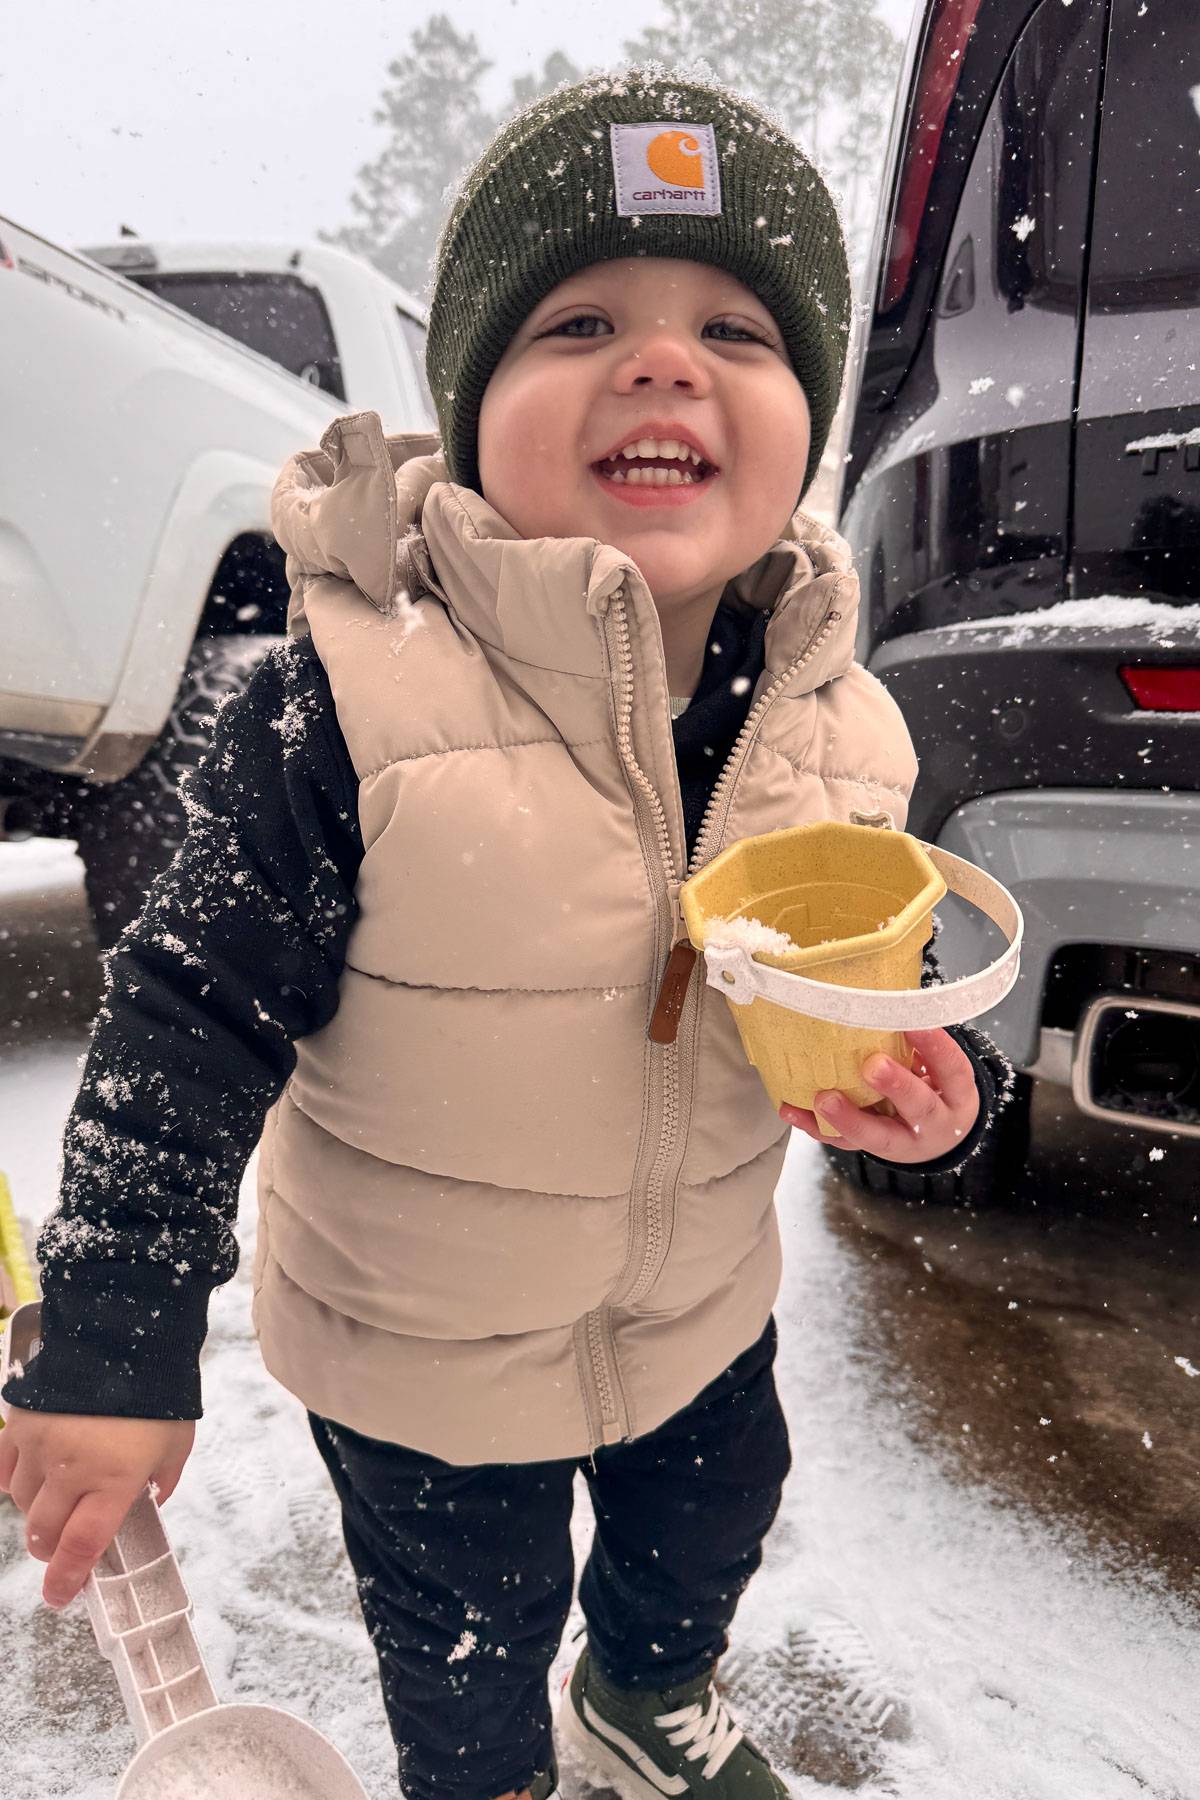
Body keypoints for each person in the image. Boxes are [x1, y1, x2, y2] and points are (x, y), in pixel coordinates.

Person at [1, 69, 1010, 1800]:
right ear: (470, 415)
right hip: (423, 1359)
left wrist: (936, 1089)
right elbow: (179, 1024)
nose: (663, 360)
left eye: (737, 331)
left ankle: (642, 1702)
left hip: (697, 1312)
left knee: (703, 1537)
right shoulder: (350, 710)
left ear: (805, 424)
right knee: (465, 1631)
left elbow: (877, 992)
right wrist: (114, 1341)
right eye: (582, 318)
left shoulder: (847, 729)